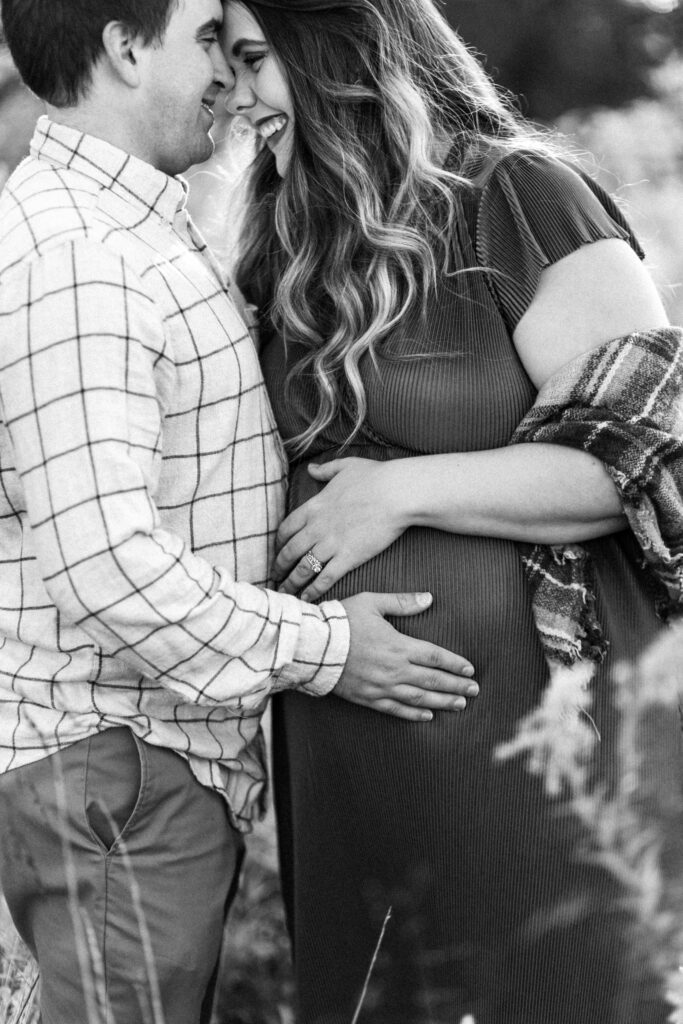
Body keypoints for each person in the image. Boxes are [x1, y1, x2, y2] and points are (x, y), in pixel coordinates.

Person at [0, 2, 481, 1022]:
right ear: (126, 49)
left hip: (146, 771)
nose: (232, 73)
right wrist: (325, 646)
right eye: (209, 38)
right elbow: (108, 565)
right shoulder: (81, 256)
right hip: (116, 768)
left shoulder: (140, 234)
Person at [223, 1, 683, 1021]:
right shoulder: (287, 240)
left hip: (535, 755)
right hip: (349, 762)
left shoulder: (518, 194)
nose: (236, 94)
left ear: (333, 50)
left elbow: (640, 461)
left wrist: (399, 492)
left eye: (255, 60)